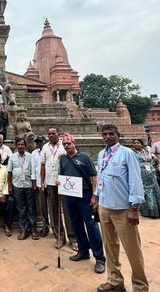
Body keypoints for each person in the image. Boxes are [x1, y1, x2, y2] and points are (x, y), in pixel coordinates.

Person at [92, 124, 149, 292]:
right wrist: (96, 196)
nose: (108, 136)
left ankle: (140, 286)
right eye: (105, 134)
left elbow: (135, 181)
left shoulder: (127, 153)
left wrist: (134, 208)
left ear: (118, 135)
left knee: (132, 250)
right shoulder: (102, 154)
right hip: (104, 206)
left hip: (123, 209)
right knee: (110, 246)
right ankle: (115, 280)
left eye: (111, 134)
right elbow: (101, 177)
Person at [59, 133, 106, 274]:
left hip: (85, 195)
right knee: (76, 224)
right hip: (70, 196)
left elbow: (93, 176)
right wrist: (59, 182)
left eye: (69, 144)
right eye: (65, 145)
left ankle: (99, 258)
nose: (67, 146)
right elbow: (63, 176)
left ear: (74, 143)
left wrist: (94, 195)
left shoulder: (84, 157)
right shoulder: (63, 160)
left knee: (91, 225)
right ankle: (83, 250)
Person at [40, 127, 76, 249]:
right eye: (49, 134)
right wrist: (42, 181)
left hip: (64, 183)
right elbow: (43, 165)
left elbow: (72, 158)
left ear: (58, 134)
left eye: (53, 133)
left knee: (68, 211)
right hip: (50, 182)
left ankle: (72, 238)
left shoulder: (64, 145)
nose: (51, 135)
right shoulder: (45, 147)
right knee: (54, 210)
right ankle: (60, 237)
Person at [8, 138, 38, 240]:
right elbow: (9, 172)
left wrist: (34, 184)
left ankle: (33, 230)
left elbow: (33, 171)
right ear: (16, 146)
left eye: (22, 144)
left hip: (28, 185)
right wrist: (10, 186)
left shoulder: (30, 156)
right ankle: (24, 230)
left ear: (25, 146)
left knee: (31, 208)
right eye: (19, 144)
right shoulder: (12, 157)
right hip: (17, 186)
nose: (20, 146)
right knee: (21, 209)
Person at [132, 138, 160, 218]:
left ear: (141, 144)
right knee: (146, 191)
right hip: (140, 173)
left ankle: (157, 209)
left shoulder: (147, 151)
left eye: (138, 143)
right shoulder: (132, 153)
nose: (136, 144)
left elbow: (152, 160)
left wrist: (154, 162)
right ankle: (149, 211)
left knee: (154, 189)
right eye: (135, 143)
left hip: (150, 173)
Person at [31, 135, 49, 237]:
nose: (39, 144)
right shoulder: (34, 153)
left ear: (44, 142)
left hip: (49, 182)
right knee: (42, 206)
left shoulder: (48, 151)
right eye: (37, 142)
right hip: (38, 183)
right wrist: (34, 183)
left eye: (40, 142)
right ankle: (45, 226)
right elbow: (33, 169)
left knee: (51, 206)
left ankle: (55, 227)